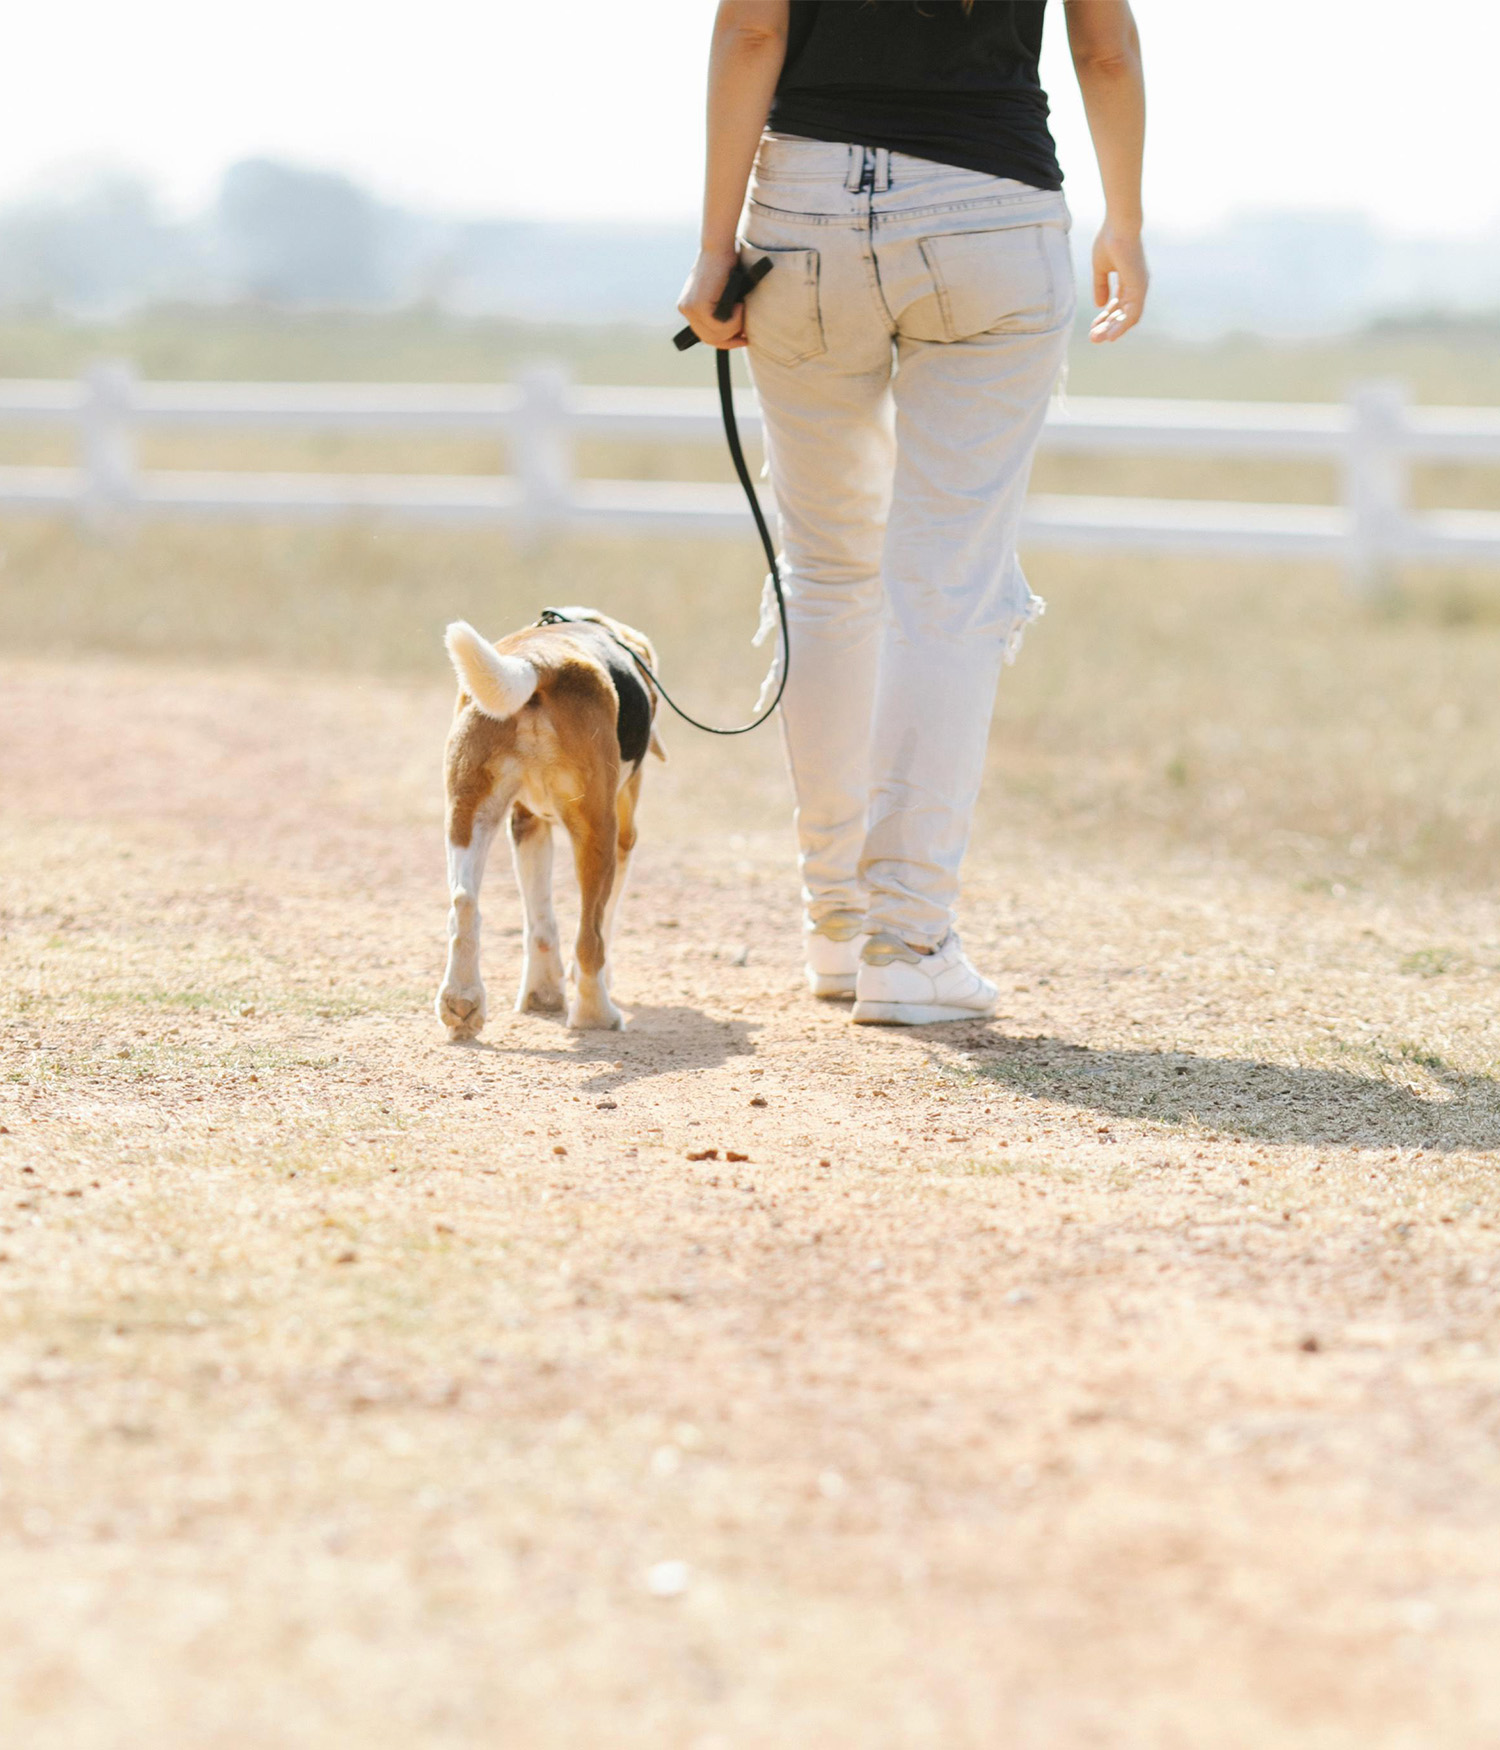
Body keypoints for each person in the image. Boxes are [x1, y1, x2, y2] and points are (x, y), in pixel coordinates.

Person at [679, 0, 1147, 1025]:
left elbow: (752, 33)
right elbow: (1101, 47)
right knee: (949, 583)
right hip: (991, 212)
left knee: (828, 568)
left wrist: (716, 247)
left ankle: (838, 924)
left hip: (800, 212)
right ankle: (909, 939)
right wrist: (1127, 217)